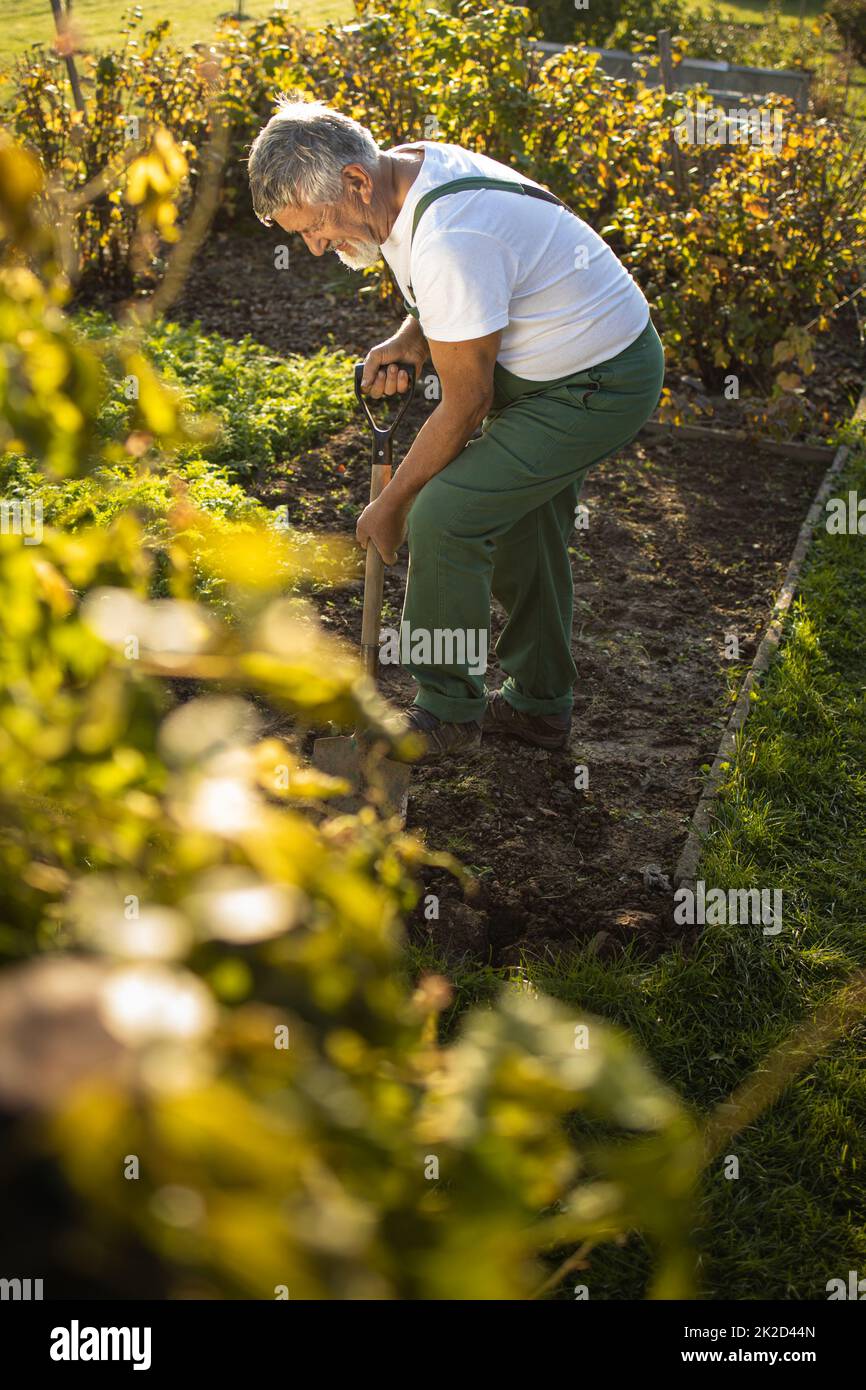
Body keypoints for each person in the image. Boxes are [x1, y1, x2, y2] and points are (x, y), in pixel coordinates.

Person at [248, 98, 665, 762]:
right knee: (524, 527)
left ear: (356, 180)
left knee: (445, 513)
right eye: (300, 234)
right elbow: (483, 274)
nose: (316, 246)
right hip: (546, 370)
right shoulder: (405, 172)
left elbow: (465, 405)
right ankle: (538, 708)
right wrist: (413, 338)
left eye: (318, 226)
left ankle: (447, 712)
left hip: (596, 382)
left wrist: (392, 504)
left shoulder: (450, 234)